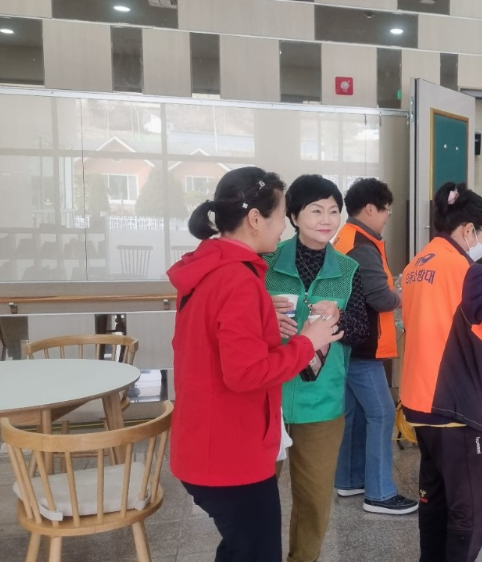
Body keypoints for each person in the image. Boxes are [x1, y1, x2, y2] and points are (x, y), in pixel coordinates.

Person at [168, 167, 342, 562]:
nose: (282, 227)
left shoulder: (209, 267)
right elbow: (245, 374)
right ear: (254, 219)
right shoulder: (239, 280)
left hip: (203, 443)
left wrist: (263, 321)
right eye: (280, 216)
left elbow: (202, 345)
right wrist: (308, 342)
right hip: (231, 454)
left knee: (239, 548)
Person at [400, 182, 482, 561]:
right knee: (471, 508)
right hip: (453, 404)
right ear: (468, 230)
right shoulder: (464, 271)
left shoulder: (417, 264)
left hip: (419, 400)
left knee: (435, 498)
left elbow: (445, 322)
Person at [265, 175, 370, 562]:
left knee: (313, 501)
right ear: (293, 216)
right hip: (266, 399)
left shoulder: (347, 269)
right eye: (315, 210)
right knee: (259, 498)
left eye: (333, 211)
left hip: (322, 404)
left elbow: (363, 332)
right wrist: (265, 316)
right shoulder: (266, 262)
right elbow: (239, 325)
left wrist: (339, 318)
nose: (326, 220)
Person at [331, 178, 418, 515]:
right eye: (386, 211)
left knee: (354, 415)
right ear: (370, 208)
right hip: (364, 346)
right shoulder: (362, 246)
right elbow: (380, 298)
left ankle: (349, 479)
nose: (386, 217)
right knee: (381, 414)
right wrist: (403, 296)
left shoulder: (345, 237)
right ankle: (380, 493)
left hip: (347, 342)